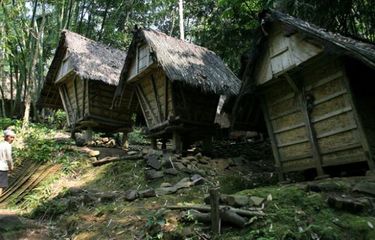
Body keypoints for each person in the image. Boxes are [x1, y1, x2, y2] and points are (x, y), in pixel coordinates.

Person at [0, 129, 15, 196]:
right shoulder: (8, 146)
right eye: (11, 137)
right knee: (0, 186)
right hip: (2, 168)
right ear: (7, 137)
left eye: (13, 137)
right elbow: (9, 158)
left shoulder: (0, 144)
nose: (12, 139)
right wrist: (11, 166)